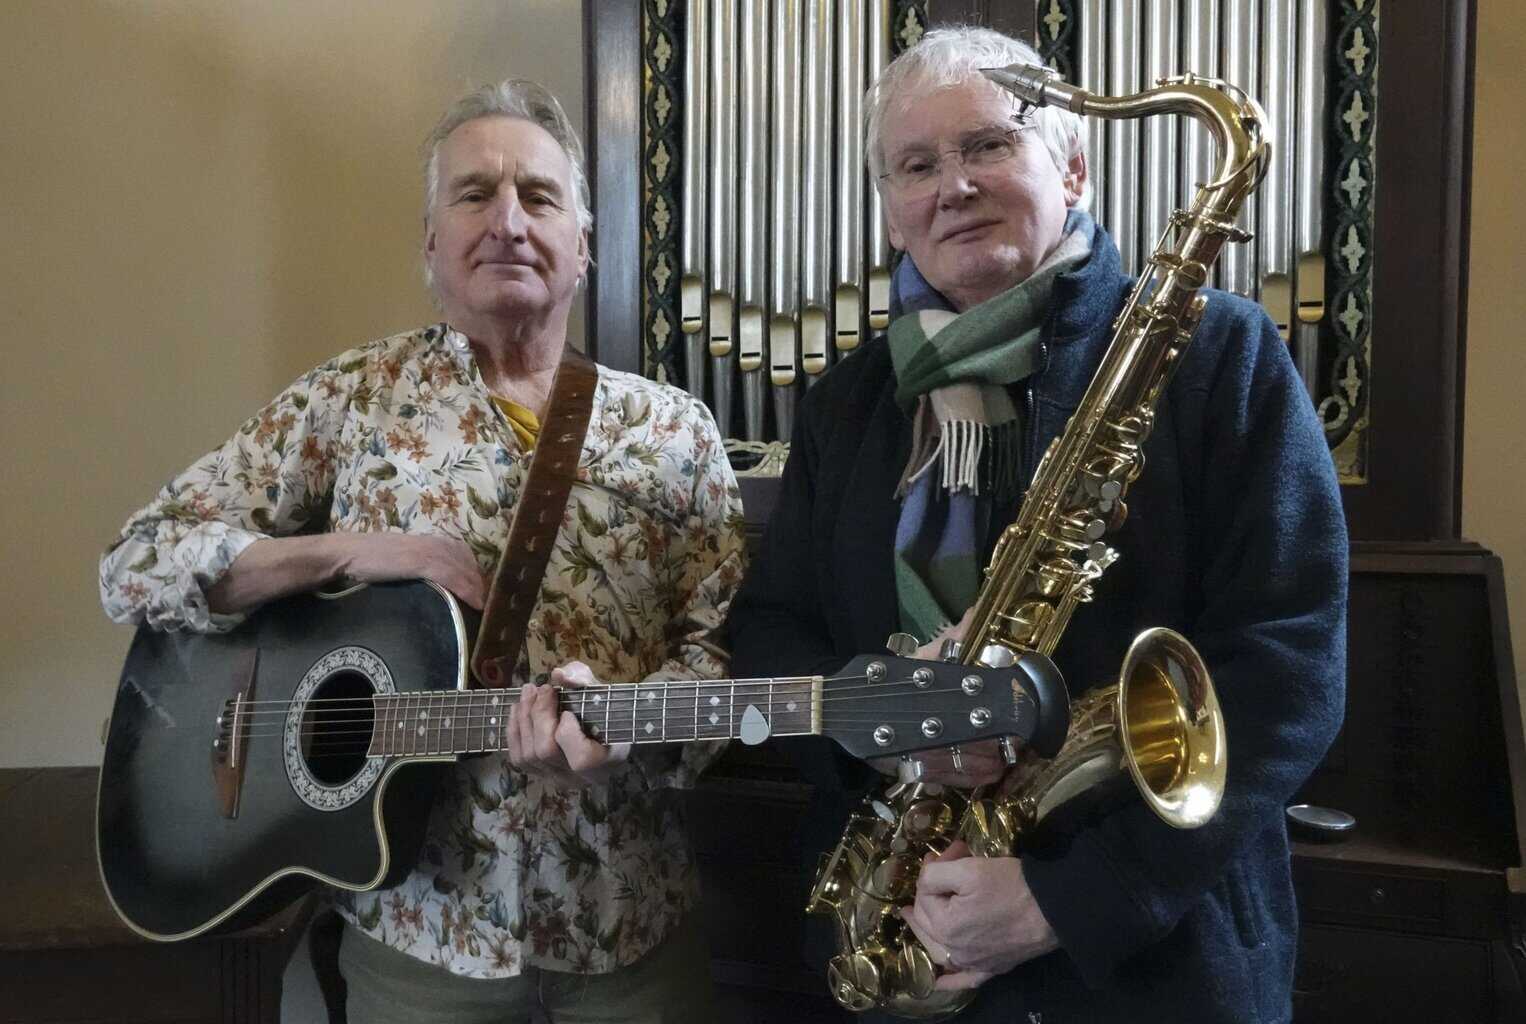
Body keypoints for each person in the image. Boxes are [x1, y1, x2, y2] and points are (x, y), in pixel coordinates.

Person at [726, 26, 1346, 1024]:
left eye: (985, 146)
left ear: (1074, 166)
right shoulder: (847, 403)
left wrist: (1070, 899)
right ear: (891, 213)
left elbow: (1287, 668)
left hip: (1154, 969)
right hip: (902, 939)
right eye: (916, 165)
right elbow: (770, 628)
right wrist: (877, 719)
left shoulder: (1216, 354)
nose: (953, 186)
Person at [99, 79, 745, 1023]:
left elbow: (719, 658)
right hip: (418, 942)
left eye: (540, 195)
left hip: (630, 929)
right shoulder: (353, 400)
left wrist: (628, 734)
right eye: (475, 194)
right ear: (431, 246)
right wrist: (352, 552)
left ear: (585, 248)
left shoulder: (677, 431)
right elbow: (137, 560)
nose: (510, 221)